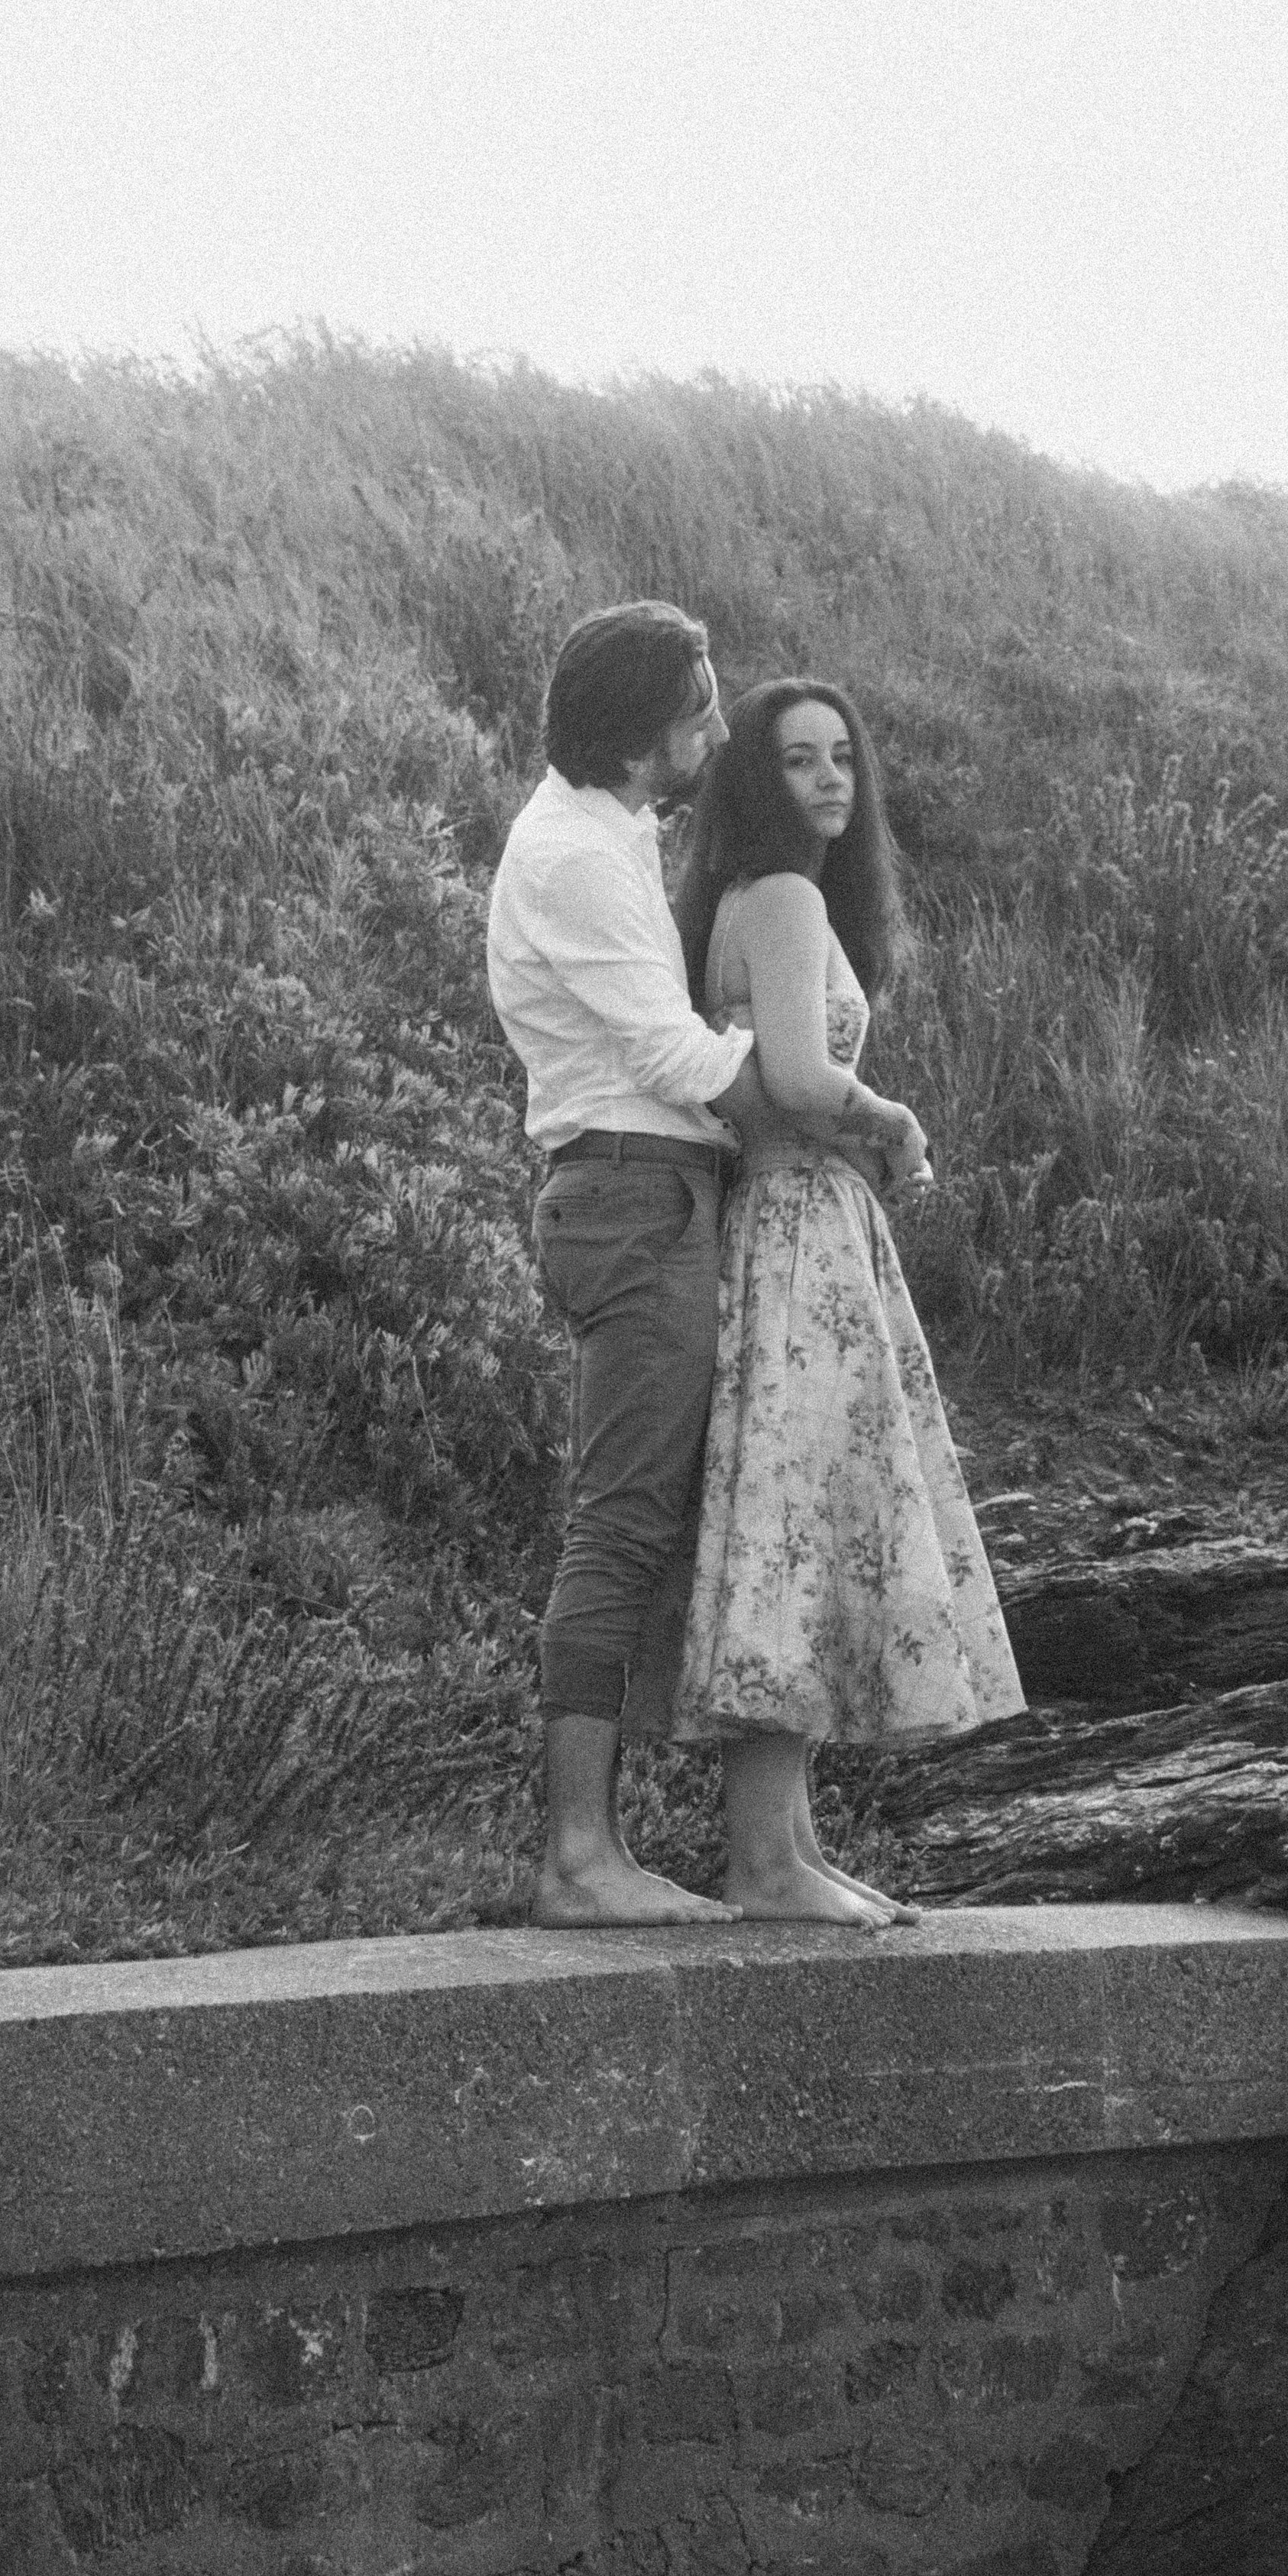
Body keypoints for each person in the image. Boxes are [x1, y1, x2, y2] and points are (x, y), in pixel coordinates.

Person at [668, 678, 1027, 1928]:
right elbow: (800, 1071)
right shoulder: (782, 894)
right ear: (757, 784)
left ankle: (788, 1846)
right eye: (798, 761)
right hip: (800, 1229)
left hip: (792, 1225)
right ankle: (767, 1861)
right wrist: (897, 1117)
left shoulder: (746, 899)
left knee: (793, 1516)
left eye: (841, 759)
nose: (829, 781)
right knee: (793, 1519)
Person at [487, 599, 795, 1927]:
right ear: (638, 736)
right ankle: (576, 1857)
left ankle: (606, 1848)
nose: (718, 729)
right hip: (631, 1191)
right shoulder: (576, 854)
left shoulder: (604, 835)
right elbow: (677, 1057)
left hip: (643, 1190)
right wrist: (842, 1113)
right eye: (700, 709)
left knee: (645, 1518)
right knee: (618, 1523)